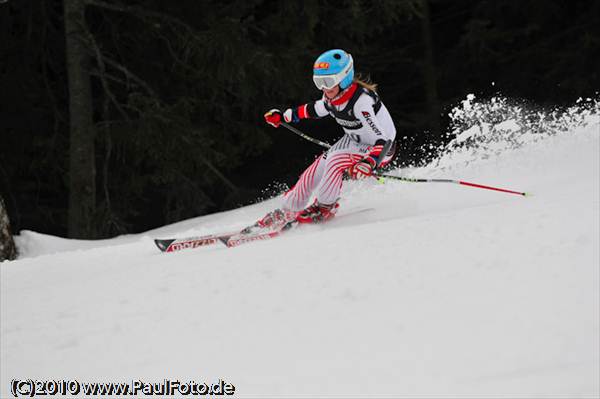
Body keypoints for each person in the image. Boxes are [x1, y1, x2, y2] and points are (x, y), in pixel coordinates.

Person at [261, 49, 397, 226]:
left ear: (344, 78)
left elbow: (383, 139)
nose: (324, 88)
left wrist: (368, 162)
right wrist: (284, 116)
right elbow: (314, 109)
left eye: (328, 81)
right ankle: (289, 209)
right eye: (319, 82)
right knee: (315, 169)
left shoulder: (361, 102)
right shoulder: (332, 96)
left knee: (334, 160)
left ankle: (325, 207)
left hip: (379, 148)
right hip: (355, 141)